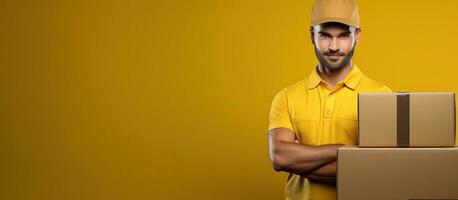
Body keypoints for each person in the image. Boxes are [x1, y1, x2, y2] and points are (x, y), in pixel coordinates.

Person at [267, 0, 392, 199]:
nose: (334, 46)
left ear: (357, 36)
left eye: (343, 36)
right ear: (311, 35)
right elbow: (280, 157)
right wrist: (341, 150)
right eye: (325, 35)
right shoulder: (287, 97)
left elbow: (375, 168)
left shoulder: (380, 95)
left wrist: (300, 160)